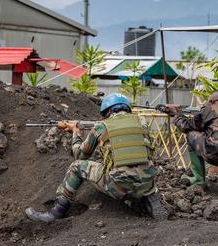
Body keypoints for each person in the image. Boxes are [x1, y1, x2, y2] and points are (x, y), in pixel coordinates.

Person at [25, 93, 165, 222]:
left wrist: (75, 132)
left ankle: (55, 213)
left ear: (108, 111)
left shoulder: (102, 126)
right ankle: (147, 201)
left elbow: (80, 155)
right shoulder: (143, 122)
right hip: (147, 183)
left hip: (119, 186)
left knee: (77, 166)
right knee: (139, 167)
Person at [161, 91, 218, 203]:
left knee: (191, 133)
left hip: (215, 153)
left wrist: (176, 115)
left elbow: (187, 126)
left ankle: (199, 180)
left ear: (212, 101)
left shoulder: (210, 109)